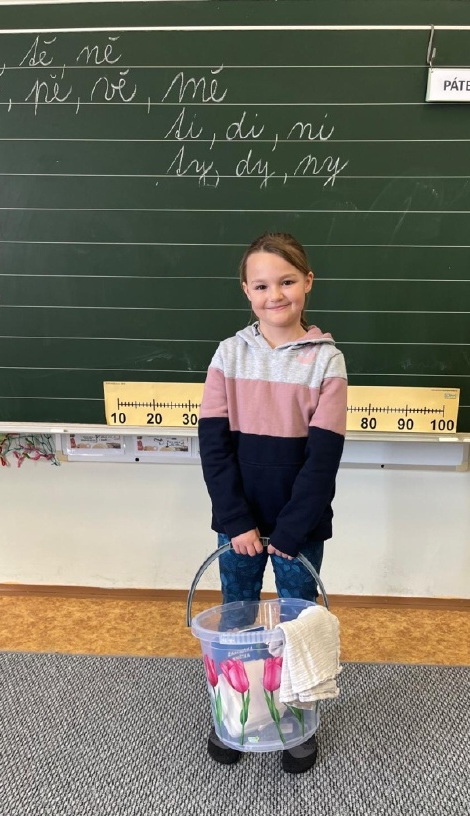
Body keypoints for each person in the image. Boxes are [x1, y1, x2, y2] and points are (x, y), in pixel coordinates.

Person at [198, 232, 347, 773]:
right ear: (246, 290)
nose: (274, 295)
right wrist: (236, 520)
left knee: (297, 622)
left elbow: (323, 458)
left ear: (307, 282)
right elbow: (214, 447)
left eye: (286, 282)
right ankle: (238, 713)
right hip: (238, 523)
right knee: (237, 616)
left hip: (297, 529)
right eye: (261, 285)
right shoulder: (228, 354)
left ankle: (296, 721)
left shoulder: (327, 361)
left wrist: (290, 530)